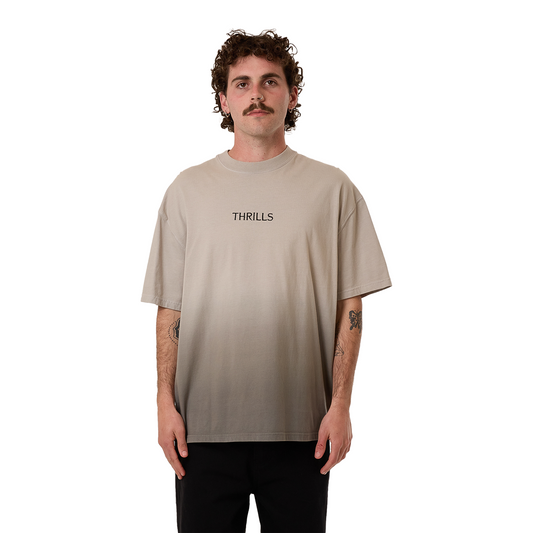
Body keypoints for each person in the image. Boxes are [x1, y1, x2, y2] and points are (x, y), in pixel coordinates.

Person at [141, 29, 392, 533]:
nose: (256, 94)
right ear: (224, 99)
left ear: (292, 94)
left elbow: (351, 306)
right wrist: (164, 403)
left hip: (303, 431)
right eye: (242, 83)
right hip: (201, 432)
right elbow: (171, 308)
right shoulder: (186, 190)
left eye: (270, 81)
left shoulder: (333, 189)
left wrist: (341, 406)